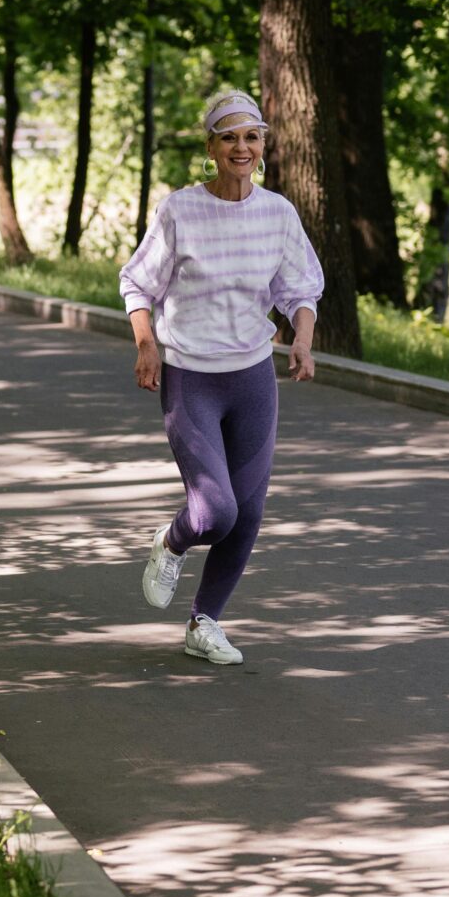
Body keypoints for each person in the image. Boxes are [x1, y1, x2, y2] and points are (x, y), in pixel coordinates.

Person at [119, 89, 323, 666]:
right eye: (229, 136)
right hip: (192, 377)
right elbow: (138, 284)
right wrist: (145, 345)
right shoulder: (180, 211)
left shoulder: (278, 213)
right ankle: (172, 539)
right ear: (211, 146)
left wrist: (302, 339)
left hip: (252, 375)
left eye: (251, 136)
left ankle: (204, 622)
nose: (241, 147)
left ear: (263, 146)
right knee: (216, 510)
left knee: (250, 512)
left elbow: (301, 287)